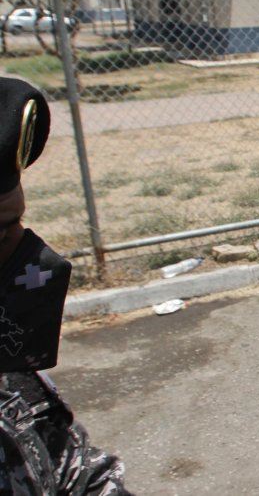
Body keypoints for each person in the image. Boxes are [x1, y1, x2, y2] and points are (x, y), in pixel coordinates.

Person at [0, 77, 130, 495]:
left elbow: (77, 473)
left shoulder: (9, 378)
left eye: (14, 225)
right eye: (1, 233)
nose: (25, 250)